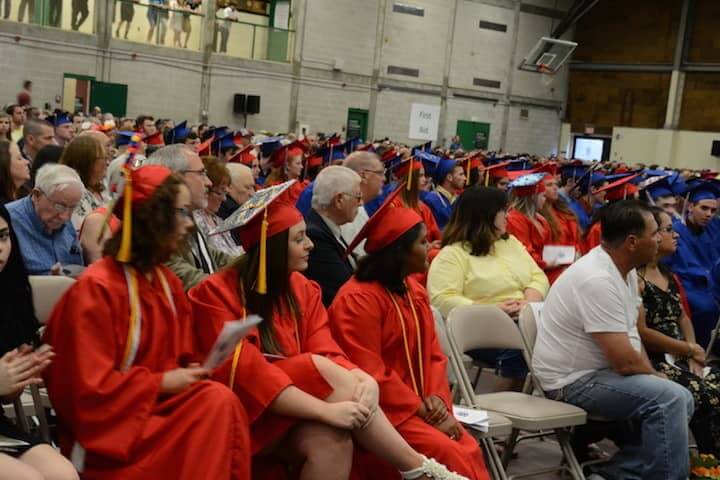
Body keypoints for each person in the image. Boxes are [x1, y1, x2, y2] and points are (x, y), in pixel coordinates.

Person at [188, 182, 468, 480]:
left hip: (293, 411)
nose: (310, 245)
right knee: (311, 367)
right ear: (273, 247)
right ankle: (415, 466)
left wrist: (363, 379)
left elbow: (327, 349)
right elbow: (249, 374)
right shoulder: (217, 294)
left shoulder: (302, 289)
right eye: (299, 239)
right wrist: (326, 412)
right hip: (244, 412)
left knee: (333, 442)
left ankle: (416, 468)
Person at [43, 165, 251, 479]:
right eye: (181, 213)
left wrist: (192, 370)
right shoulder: (97, 290)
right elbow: (83, 391)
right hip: (112, 432)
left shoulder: (165, 283)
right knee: (214, 408)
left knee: (219, 401)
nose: (188, 224)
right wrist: (163, 382)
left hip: (156, 410)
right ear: (154, 219)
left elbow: (178, 357)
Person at [329, 192, 491, 480]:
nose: (431, 249)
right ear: (399, 251)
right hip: (386, 415)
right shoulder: (358, 300)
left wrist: (438, 404)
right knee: (449, 453)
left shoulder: (413, 291)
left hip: (425, 407)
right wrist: (421, 409)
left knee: (467, 447)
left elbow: (434, 356)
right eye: (423, 242)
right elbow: (369, 372)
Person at [533, 200, 694, 480]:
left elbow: (632, 338)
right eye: (655, 232)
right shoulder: (597, 278)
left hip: (600, 373)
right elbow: (625, 362)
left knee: (681, 398)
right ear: (632, 241)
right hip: (571, 381)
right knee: (670, 398)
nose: (659, 239)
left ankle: (614, 474)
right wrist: (656, 377)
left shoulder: (625, 270)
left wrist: (654, 377)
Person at [427, 187, 548, 391]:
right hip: (479, 327)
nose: (508, 216)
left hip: (523, 316)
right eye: (503, 211)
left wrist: (529, 300)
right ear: (486, 215)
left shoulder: (510, 244)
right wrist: (492, 310)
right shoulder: (452, 255)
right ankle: (504, 406)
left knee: (559, 337)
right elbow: (442, 299)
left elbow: (537, 276)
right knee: (520, 347)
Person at [0, 205, 79, 480]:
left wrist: (17, 377)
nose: (0, 248)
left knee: (63, 474)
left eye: (3, 236)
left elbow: (5, 393)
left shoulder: (7, 293)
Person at [638, 206, 720, 456]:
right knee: (703, 391)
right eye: (667, 230)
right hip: (656, 358)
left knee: (715, 379)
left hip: (681, 354)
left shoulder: (668, 275)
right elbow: (641, 332)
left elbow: (683, 316)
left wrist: (694, 351)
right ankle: (708, 456)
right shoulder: (638, 280)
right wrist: (685, 348)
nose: (676, 236)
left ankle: (711, 457)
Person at [144, 144, 234, 289]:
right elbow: (187, 279)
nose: (209, 182)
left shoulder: (187, 215)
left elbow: (211, 255)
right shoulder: (156, 227)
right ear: (176, 177)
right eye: (201, 173)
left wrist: (249, 265)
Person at [662, 181, 720, 348]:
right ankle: (699, 347)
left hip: (713, 281)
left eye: (713, 210)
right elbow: (666, 266)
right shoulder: (674, 231)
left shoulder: (714, 228)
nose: (709, 214)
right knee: (705, 307)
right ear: (690, 207)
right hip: (687, 284)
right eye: (704, 208)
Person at [6, 164, 83, 275]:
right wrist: (47, 281)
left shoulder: (61, 214)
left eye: (72, 208)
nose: (65, 217)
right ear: (37, 195)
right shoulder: (8, 221)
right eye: (59, 206)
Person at [304, 166, 360, 306]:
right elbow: (344, 288)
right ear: (339, 200)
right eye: (358, 197)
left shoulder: (326, 226)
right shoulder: (315, 236)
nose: (361, 203)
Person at [192, 156, 242, 256]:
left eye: (225, 192)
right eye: (219, 192)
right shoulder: (196, 223)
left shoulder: (218, 220)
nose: (224, 199)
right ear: (205, 190)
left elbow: (232, 251)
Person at [59, 135, 109, 231]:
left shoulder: (102, 184)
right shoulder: (72, 194)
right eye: (103, 158)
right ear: (86, 162)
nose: (106, 163)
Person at [538, 172, 580, 283]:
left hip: (570, 264)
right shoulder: (538, 216)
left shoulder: (564, 211)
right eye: (549, 185)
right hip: (551, 271)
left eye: (556, 184)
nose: (555, 188)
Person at [423, 157, 465, 230]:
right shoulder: (431, 200)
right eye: (461, 174)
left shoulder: (459, 198)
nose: (465, 178)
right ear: (449, 177)